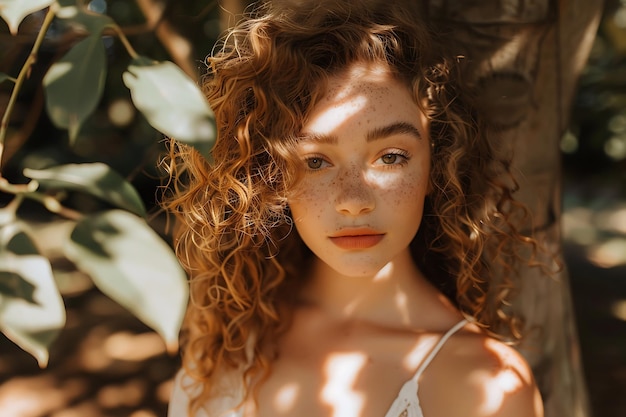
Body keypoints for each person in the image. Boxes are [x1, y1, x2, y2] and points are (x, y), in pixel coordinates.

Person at [163, 1, 547, 416]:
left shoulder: (486, 385)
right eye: (315, 161)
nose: (353, 201)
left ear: (437, 162)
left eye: (391, 156)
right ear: (267, 174)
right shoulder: (230, 333)